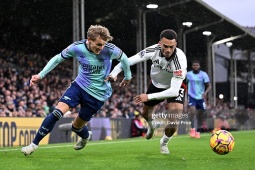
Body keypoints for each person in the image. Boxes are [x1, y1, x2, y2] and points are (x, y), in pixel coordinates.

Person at [21, 25, 132, 156]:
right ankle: (33, 144)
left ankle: (85, 136)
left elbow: (124, 58)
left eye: (103, 44)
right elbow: (57, 58)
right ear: (89, 39)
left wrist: (127, 77)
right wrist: (41, 75)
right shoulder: (77, 47)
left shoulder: (110, 49)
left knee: (76, 127)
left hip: (98, 94)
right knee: (57, 113)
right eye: (98, 44)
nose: (101, 47)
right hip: (79, 86)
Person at [110, 29, 187, 154]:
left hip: (176, 86)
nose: (168, 50)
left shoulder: (180, 61)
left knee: (173, 122)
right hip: (156, 84)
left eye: (171, 47)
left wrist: (149, 96)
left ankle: (164, 142)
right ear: (159, 44)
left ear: (176, 45)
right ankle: (152, 126)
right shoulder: (153, 50)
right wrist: (115, 72)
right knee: (145, 113)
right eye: (165, 46)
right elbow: (128, 61)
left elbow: (173, 91)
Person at [186, 60, 211, 138]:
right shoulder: (188, 74)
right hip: (191, 96)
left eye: (197, 65)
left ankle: (198, 131)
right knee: (192, 111)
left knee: (200, 115)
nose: (195, 66)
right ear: (192, 66)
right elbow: (184, 83)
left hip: (200, 97)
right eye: (194, 65)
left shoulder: (204, 74)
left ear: (199, 66)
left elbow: (209, 86)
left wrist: (205, 93)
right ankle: (193, 129)